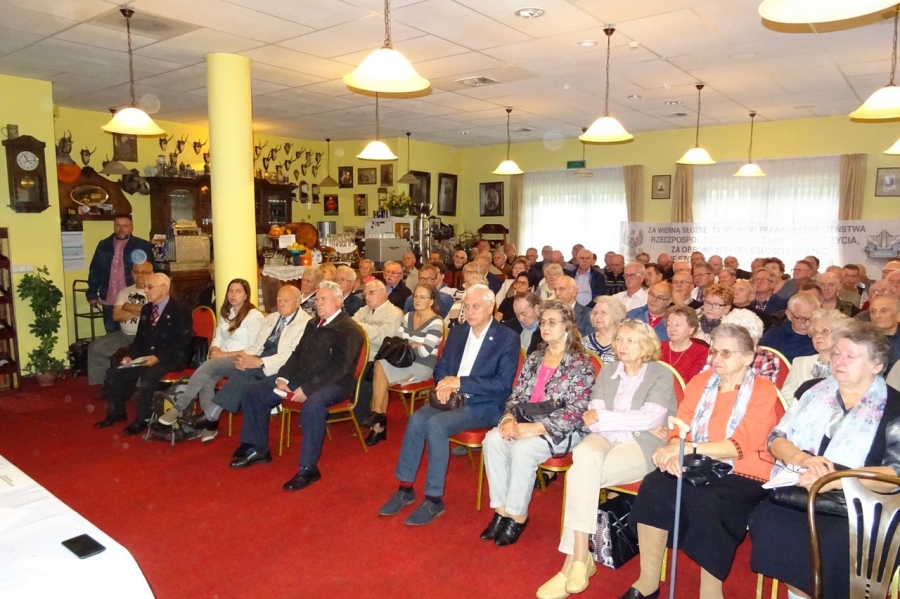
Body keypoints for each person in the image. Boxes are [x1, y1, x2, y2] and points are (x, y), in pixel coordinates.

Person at [621, 323, 780, 599]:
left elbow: (739, 446)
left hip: (745, 470)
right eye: (714, 352)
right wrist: (674, 449)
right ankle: (647, 582)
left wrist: (686, 450)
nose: (717, 358)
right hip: (696, 461)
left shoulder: (763, 390)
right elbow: (679, 425)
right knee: (655, 486)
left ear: (748, 357)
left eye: (726, 353)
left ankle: (710, 593)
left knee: (710, 500)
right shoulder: (701, 382)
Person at [749, 322, 900, 599]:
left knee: (831, 540)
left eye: (851, 356)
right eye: (837, 353)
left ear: (877, 365)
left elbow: (894, 474)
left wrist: (835, 481)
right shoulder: (812, 390)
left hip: (862, 505)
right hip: (801, 490)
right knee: (771, 519)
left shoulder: (894, 407)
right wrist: (802, 458)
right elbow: (776, 438)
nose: (838, 361)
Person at [537, 320, 678, 599]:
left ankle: (573, 563)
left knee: (579, 475)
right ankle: (580, 557)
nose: (622, 346)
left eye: (631, 340)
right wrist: (625, 419)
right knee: (584, 454)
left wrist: (608, 418)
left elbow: (650, 418)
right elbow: (592, 418)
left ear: (646, 345)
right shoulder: (608, 371)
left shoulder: (660, 374)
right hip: (606, 436)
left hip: (641, 445)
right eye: (619, 339)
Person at [377, 285, 519, 525]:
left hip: (483, 404)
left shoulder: (507, 338)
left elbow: (502, 384)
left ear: (490, 307)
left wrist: (460, 383)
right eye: (467, 306)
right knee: (416, 420)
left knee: (436, 425)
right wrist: (444, 384)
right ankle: (405, 487)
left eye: (476, 306)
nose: (470, 311)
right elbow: (441, 366)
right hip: (450, 396)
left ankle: (434, 499)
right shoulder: (458, 332)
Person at [230, 281, 365, 493]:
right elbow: (297, 354)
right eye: (317, 299)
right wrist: (283, 376)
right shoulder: (313, 323)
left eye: (323, 299)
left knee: (313, 406)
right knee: (256, 391)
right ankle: (258, 448)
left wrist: (309, 388)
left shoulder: (349, 329)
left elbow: (340, 369)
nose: (318, 303)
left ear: (338, 302)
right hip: (304, 377)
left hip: (336, 383)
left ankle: (308, 468)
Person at [482, 300, 596, 546]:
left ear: (567, 326)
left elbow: (577, 410)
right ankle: (501, 511)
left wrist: (534, 429)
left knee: (523, 449)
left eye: (552, 322)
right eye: (543, 322)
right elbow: (517, 394)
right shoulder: (535, 357)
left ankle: (517, 515)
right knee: (492, 439)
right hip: (526, 420)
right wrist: (509, 417)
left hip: (561, 429)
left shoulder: (580, 363)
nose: (545, 327)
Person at [157, 278, 265, 429]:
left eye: (238, 291)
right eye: (230, 291)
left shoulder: (254, 316)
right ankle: (210, 425)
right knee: (207, 380)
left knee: (208, 366)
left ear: (246, 295)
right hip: (222, 360)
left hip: (242, 360)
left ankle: (178, 407)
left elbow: (255, 348)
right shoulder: (227, 313)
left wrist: (224, 355)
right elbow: (218, 337)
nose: (233, 294)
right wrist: (214, 349)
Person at [94, 273, 193, 435]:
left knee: (149, 376)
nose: (145, 290)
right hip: (147, 357)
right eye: (146, 287)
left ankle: (143, 418)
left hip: (171, 358)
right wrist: (130, 356)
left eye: (150, 287)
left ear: (164, 289)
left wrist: (157, 358)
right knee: (114, 373)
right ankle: (116, 412)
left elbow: (181, 343)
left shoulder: (180, 310)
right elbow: (140, 340)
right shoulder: (147, 309)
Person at [207, 285, 311, 436]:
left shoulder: (306, 323)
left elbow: (291, 356)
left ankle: (210, 415)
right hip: (259, 359)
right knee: (234, 370)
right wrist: (245, 358)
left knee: (247, 374)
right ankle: (245, 437)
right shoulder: (271, 318)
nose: (281, 304)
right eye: (279, 300)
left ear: (297, 301)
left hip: (281, 366)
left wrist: (260, 362)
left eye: (286, 301)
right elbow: (256, 345)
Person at [362, 284, 443, 447]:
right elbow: (399, 341)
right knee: (380, 365)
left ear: (431, 301)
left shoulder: (436, 322)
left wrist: (409, 344)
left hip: (422, 366)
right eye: (415, 296)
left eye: (423, 297)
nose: (417, 300)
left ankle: (378, 423)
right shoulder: (408, 317)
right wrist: (413, 344)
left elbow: (425, 352)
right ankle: (378, 418)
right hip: (403, 361)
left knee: (380, 377)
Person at [87, 260, 152, 390]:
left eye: (144, 272)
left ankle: (139, 388)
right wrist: (142, 310)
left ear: (152, 273)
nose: (140, 275)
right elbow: (116, 316)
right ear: (132, 273)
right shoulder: (125, 292)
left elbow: (153, 313)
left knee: (140, 353)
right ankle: (105, 383)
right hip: (124, 335)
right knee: (95, 348)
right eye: (136, 272)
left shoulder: (154, 291)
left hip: (145, 337)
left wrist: (127, 306)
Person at [86, 214, 155, 333]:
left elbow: (150, 271)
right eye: (117, 225)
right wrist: (92, 293)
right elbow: (95, 270)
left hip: (132, 299)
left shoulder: (142, 245)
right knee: (112, 336)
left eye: (125, 226)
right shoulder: (103, 245)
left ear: (131, 227)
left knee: (134, 334)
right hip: (109, 299)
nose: (121, 229)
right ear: (114, 226)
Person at [780, 309, 849, 401]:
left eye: (825, 331)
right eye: (815, 332)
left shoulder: (851, 364)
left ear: (841, 335)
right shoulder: (800, 363)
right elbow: (786, 397)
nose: (818, 336)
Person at [759, 293, 820, 362]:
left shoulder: (821, 337)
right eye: (801, 319)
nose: (807, 324)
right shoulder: (772, 336)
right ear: (789, 315)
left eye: (812, 318)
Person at [660, 304, 708, 383]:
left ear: (691, 329)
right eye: (669, 325)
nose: (671, 329)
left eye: (677, 325)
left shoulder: (701, 352)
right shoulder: (657, 348)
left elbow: (692, 383)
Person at [583, 296, 627, 364]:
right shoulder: (584, 342)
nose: (597, 316)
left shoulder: (624, 343)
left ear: (616, 316)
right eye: (595, 313)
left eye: (603, 312)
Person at [870, 294, 900, 371]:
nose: (877, 316)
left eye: (883, 311)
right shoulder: (863, 338)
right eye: (873, 312)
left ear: (898, 316)